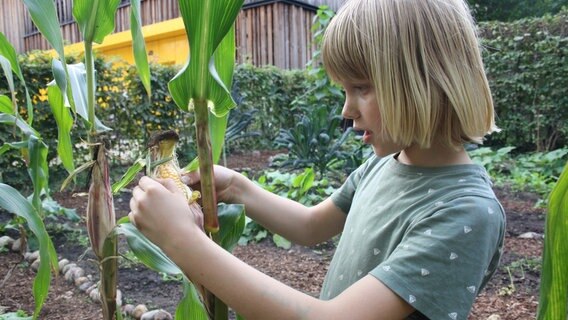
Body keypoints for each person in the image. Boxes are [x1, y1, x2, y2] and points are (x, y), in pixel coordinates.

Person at [128, 0, 506, 318]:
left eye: (361, 88)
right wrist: (237, 188)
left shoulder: (465, 213)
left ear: (427, 81)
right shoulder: (382, 165)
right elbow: (311, 226)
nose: (347, 109)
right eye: (345, 89)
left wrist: (182, 240)